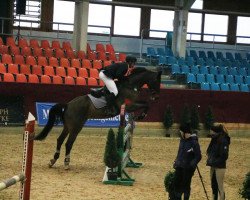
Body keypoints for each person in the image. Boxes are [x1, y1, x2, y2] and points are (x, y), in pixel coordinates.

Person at [172, 123, 202, 200]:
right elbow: (179, 153)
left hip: (188, 168)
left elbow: (198, 156)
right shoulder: (182, 140)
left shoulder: (194, 142)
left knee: (185, 185)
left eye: (181, 132)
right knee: (176, 183)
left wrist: (192, 164)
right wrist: (176, 161)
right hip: (179, 166)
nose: (180, 133)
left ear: (185, 132)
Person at [206, 124, 230, 200]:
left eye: (211, 130)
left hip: (220, 167)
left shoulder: (223, 140)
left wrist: (215, 162)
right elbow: (209, 151)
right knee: (213, 186)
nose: (210, 132)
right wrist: (210, 159)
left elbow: (224, 156)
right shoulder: (214, 139)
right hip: (213, 165)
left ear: (215, 131)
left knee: (220, 187)